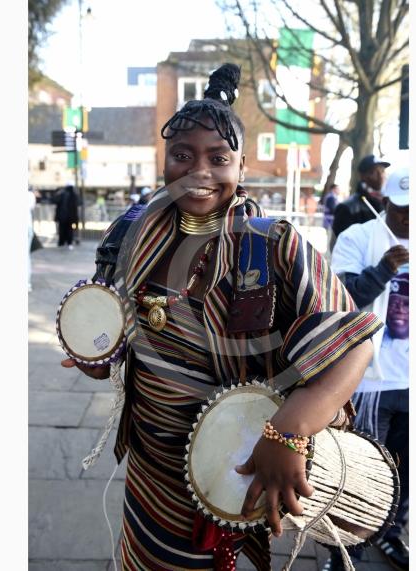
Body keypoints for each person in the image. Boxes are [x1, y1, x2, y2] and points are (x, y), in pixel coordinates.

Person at [60, 63, 383, 570]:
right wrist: (95, 354)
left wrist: (289, 430)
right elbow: (117, 344)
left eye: (218, 158)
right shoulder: (130, 238)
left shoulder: (275, 245)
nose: (198, 171)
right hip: (148, 471)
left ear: (242, 165)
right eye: (182, 155)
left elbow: (356, 344)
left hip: (235, 466)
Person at [328, 166, 410, 571]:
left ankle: (390, 534)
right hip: (370, 379)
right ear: (386, 203)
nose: (410, 219)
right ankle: (345, 549)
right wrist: (383, 270)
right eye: (402, 209)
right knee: (359, 469)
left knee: (408, 472)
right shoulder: (358, 238)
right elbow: (340, 298)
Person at [329, 154, 390, 251]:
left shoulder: (390, 204)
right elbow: (340, 246)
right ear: (363, 176)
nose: (380, 176)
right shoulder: (347, 208)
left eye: (382, 171)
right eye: (374, 172)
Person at [54, 184, 79, 249]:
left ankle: (61, 243)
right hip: (70, 217)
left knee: (62, 230)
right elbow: (75, 208)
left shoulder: (61, 194)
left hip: (62, 217)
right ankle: (69, 243)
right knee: (69, 230)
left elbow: (56, 204)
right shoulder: (73, 195)